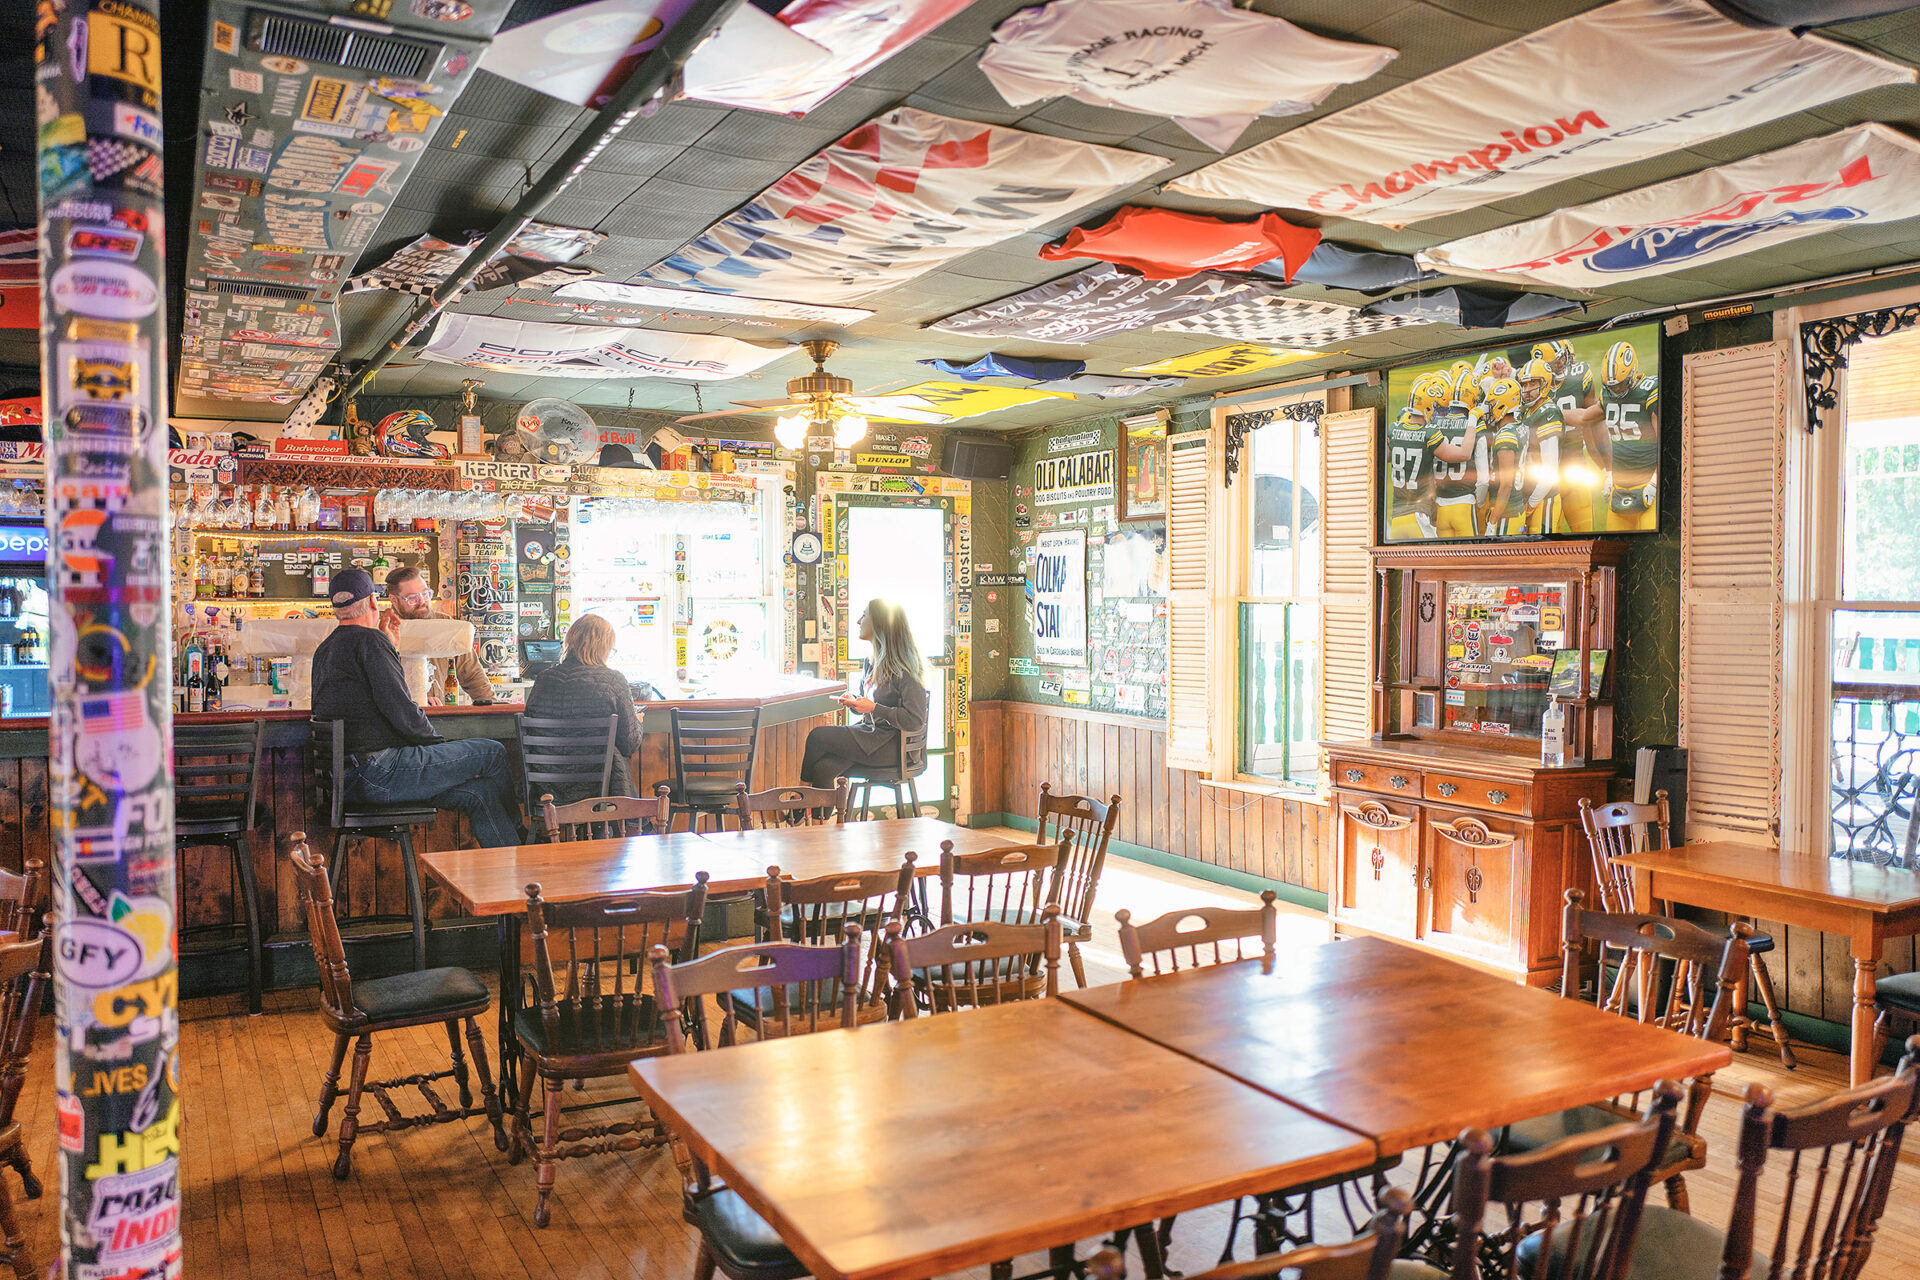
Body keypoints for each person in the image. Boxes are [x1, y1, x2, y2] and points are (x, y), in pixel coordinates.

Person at [311, 568, 523, 848]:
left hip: (347, 780)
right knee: (492, 752)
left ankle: (512, 870)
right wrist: (435, 745)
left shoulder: (325, 648)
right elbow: (400, 709)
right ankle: (525, 841)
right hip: (379, 773)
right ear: (376, 602)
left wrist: (390, 650)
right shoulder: (371, 641)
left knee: (480, 793)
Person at [800, 600, 929, 791]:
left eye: (864, 615)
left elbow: (915, 720)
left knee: (817, 736)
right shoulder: (871, 663)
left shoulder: (906, 670)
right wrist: (855, 702)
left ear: (880, 623)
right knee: (823, 769)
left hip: (894, 747)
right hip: (871, 736)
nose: (858, 621)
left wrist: (875, 708)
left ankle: (798, 798)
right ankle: (818, 821)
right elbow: (867, 707)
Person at [523, 613, 640, 805]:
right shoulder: (612, 681)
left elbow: (531, 733)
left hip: (547, 791)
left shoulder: (543, 679)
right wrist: (638, 722)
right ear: (604, 648)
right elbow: (629, 744)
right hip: (597, 790)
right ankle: (617, 830)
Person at [382, 564, 493, 705]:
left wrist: (495, 711)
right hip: (398, 716)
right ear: (393, 599)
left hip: (440, 716)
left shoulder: (446, 625)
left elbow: (473, 675)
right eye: (412, 598)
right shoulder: (383, 628)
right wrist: (417, 699)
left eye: (425, 594)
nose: (422, 601)